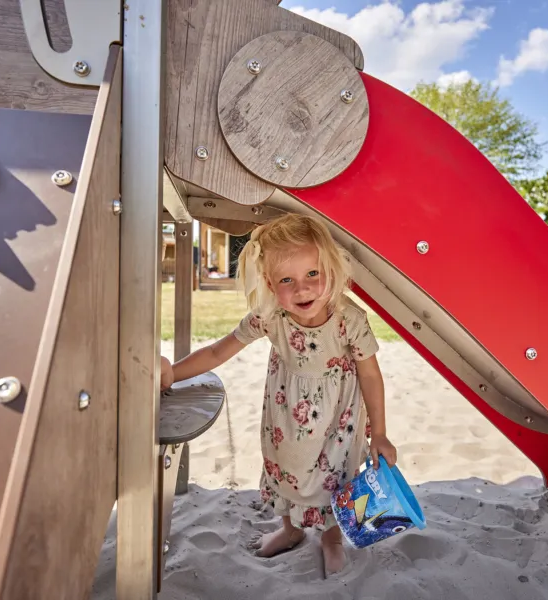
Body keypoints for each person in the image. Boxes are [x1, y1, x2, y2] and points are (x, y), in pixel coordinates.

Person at [160, 213, 396, 576]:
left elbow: (370, 373)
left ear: (330, 271)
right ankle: (290, 530)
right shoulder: (270, 317)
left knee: (336, 474)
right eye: (287, 280)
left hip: (338, 420)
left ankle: (332, 537)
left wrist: (378, 432)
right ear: (270, 284)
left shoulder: (349, 319)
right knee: (287, 466)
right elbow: (217, 352)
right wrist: (173, 373)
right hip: (287, 417)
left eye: (312, 275)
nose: (302, 289)